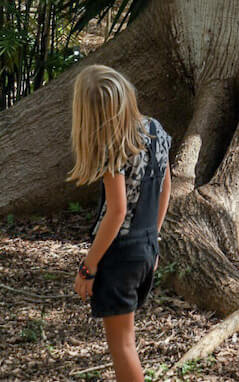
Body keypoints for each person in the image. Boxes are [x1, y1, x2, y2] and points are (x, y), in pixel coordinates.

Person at [68, 64, 172, 382]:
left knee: (123, 347)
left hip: (119, 255)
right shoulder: (155, 131)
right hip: (144, 247)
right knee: (128, 341)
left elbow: (116, 212)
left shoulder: (113, 148)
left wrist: (89, 266)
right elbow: (166, 185)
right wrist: (152, 241)